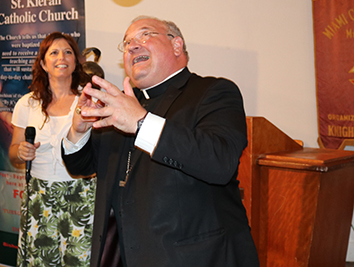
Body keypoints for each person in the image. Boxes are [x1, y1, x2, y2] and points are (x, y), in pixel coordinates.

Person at [61, 16, 259, 267]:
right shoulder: (121, 105)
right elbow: (82, 166)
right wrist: (78, 132)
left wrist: (141, 123)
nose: (132, 45)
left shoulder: (213, 92)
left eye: (145, 35)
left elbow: (220, 162)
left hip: (193, 258)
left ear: (177, 46)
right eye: (127, 42)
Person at [9, 32, 96, 267]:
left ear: (76, 62)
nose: (62, 57)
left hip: (81, 193)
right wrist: (21, 152)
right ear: (43, 63)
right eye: (54, 52)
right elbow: (13, 151)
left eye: (68, 52)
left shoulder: (89, 101)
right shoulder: (27, 103)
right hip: (39, 194)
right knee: (41, 259)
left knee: (79, 260)